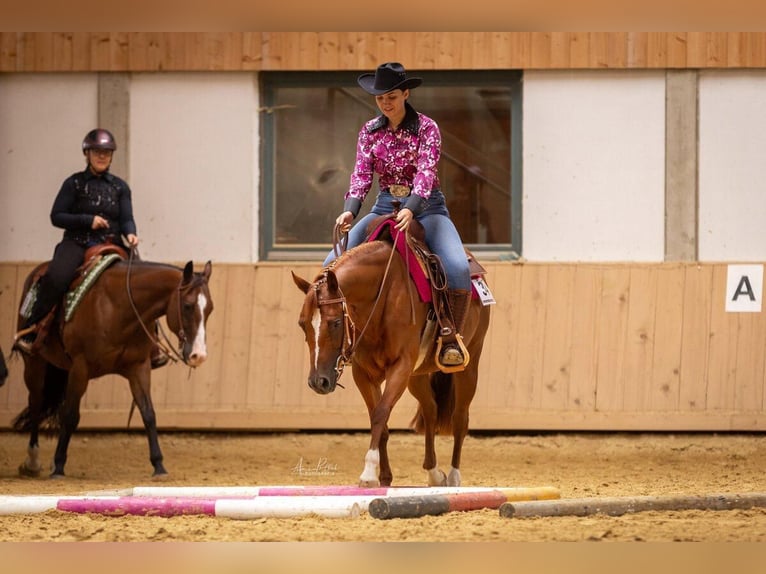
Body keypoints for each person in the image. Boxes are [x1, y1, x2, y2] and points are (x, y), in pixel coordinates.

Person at [324, 62, 472, 368]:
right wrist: (350, 211)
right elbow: (362, 174)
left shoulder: (427, 128)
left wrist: (411, 208)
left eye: (391, 96)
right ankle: (347, 338)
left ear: (405, 93)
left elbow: (426, 174)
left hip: (428, 207)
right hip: (383, 205)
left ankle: (449, 338)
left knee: (458, 267)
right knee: (329, 269)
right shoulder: (369, 131)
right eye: (380, 98)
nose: (385, 103)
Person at [13, 128, 168, 369]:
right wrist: (88, 220)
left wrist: (131, 232)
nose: (102, 156)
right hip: (78, 241)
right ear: (87, 153)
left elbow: (127, 216)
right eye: (97, 151)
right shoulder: (73, 183)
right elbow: (57, 216)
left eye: (106, 152)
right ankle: (33, 329)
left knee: (140, 283)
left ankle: (153, 344)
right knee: (56, 276)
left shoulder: (120, 187)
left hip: (111, 243)